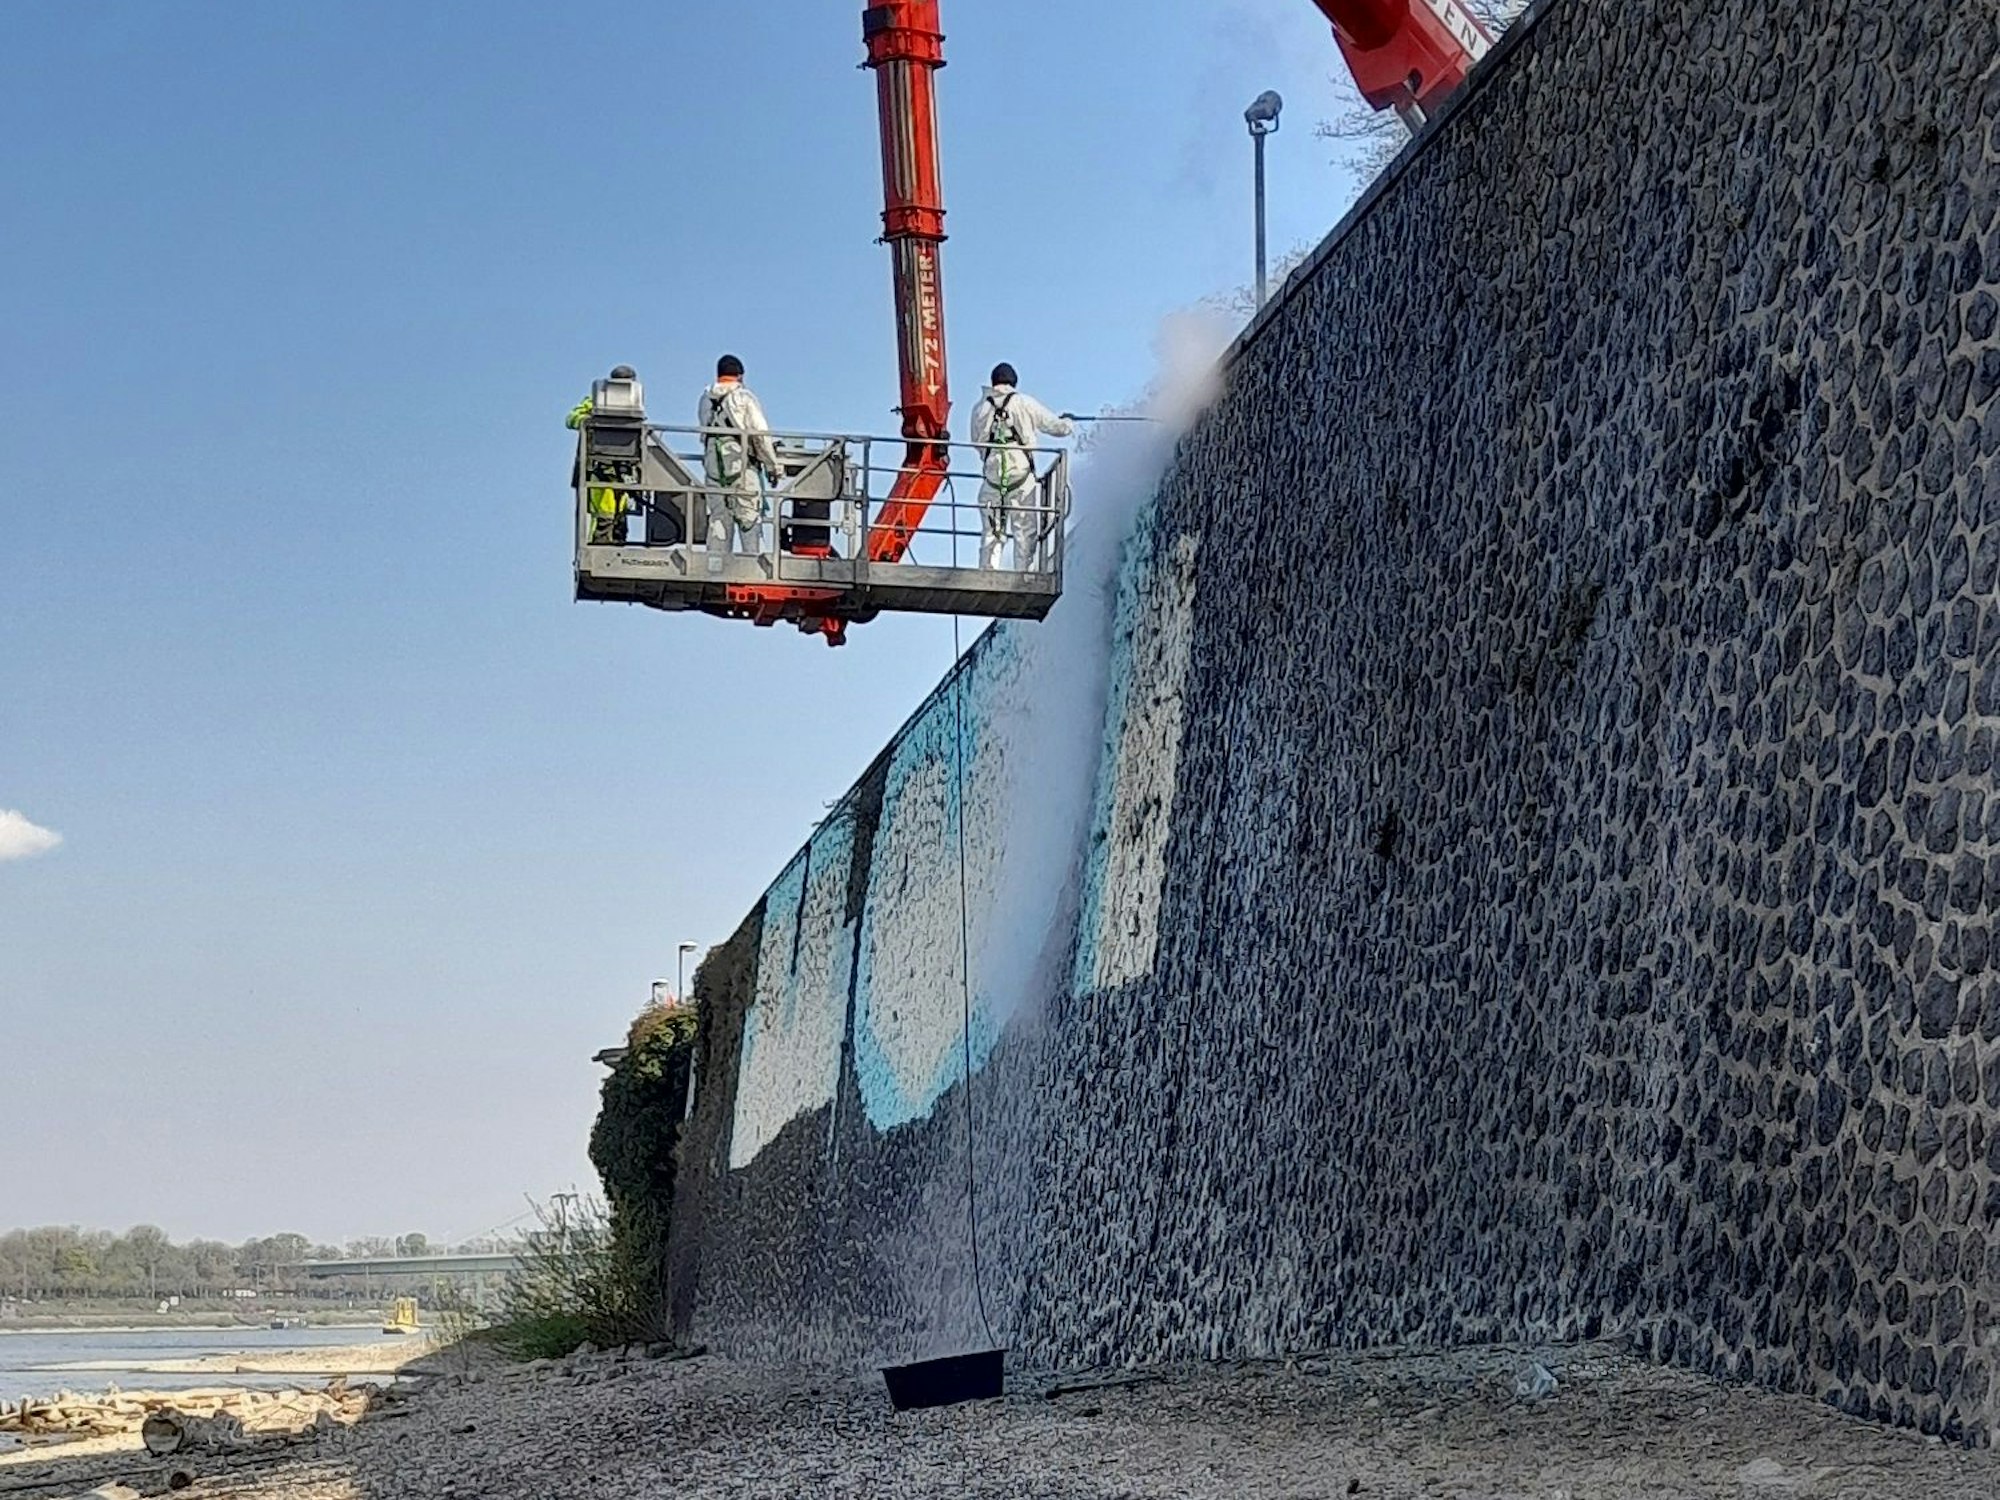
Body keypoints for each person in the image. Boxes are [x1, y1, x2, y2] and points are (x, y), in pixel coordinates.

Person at [970, 363, 1073, 569]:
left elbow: (976, 442)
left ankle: (988, 572)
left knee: (992, 531)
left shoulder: (980, 408)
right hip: (1021, 478)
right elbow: (1055, 426)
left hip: (992, 480)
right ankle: (1022, 574)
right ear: (1013, 382)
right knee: (1024, 531)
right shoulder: (1023, 403)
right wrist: (1068, 422)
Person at [696, 355, 784, 560]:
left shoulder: (705, 399)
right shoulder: (744, 398)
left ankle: (715, 569)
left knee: (719, 520)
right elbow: (760, 436)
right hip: (741, 468)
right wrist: (773, 466)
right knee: (749, 520)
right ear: (740, 376)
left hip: (713, 468)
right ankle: (753, 569)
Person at [566, 365, 641, 545]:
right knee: (604, 512)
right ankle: (598, 543)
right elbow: (571, 419)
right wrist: (590, 420)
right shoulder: (596, 401)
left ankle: (616, 541)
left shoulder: (635, 403)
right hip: (599, 467)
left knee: (619, 514)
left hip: (622, 469)